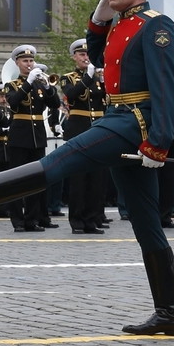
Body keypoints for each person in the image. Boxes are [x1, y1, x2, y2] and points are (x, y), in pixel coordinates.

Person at [0, 0, 174, 335]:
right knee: (145, 222)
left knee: (66, 157)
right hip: (119, 115)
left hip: (133, 121)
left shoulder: (157, 26)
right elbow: (97, 58)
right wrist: (97, 21)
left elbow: (165, 86)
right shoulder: (122, 25)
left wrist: (159, 141)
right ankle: (171, 314)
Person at [0, 44, 62, 232]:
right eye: (25, 61)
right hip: (20, 135)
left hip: (37, 136)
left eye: (31, 60)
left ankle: (32, 219)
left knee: (36, 180)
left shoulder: (38, 84)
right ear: (17, 63)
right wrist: (27, 84)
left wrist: (48, 88)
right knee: (17, 180)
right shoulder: (11, 85)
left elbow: (55, 104)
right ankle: (17, 220)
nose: (29, 64)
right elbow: (13, 102)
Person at [60, 39, 108, 234]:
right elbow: (70, 95)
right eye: (81, 54)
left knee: (97, 178)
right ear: (74, 57)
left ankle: (93, 218)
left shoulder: (99, 79)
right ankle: (77, 220)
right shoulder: (68, 78)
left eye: (88, 54)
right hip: (79, 128)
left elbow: (106, 102)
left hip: (99, 128)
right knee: (79, 177)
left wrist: (105, 84)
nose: (85, 57)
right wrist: (87, 78)